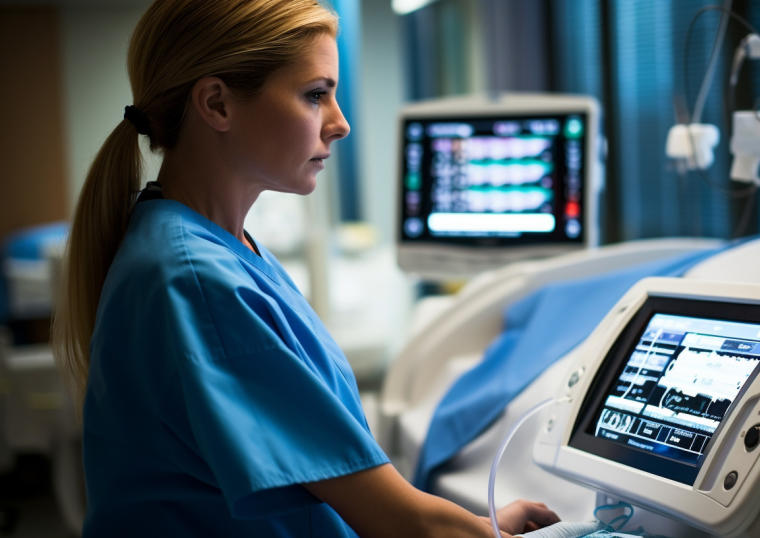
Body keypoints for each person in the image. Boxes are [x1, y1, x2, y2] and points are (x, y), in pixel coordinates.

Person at [51, 1, 560, 536]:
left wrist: (481, 526)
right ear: (217, 104)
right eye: (316, 95)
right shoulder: (196, 280)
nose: (340, 124)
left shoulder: (218, 248)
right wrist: (489, 531)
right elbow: (403, 522)